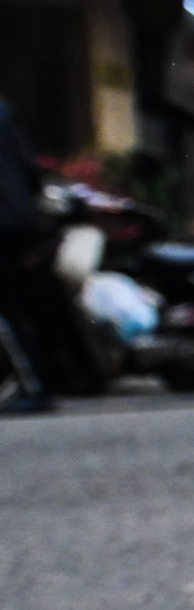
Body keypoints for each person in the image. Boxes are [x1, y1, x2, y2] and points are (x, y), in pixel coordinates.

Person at [0, 98, 53, 412]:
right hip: (20, 220)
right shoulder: (5, 110)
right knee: (24, 306)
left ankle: (36, 384)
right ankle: (40, 381)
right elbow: (29, 166)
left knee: (13, 308)